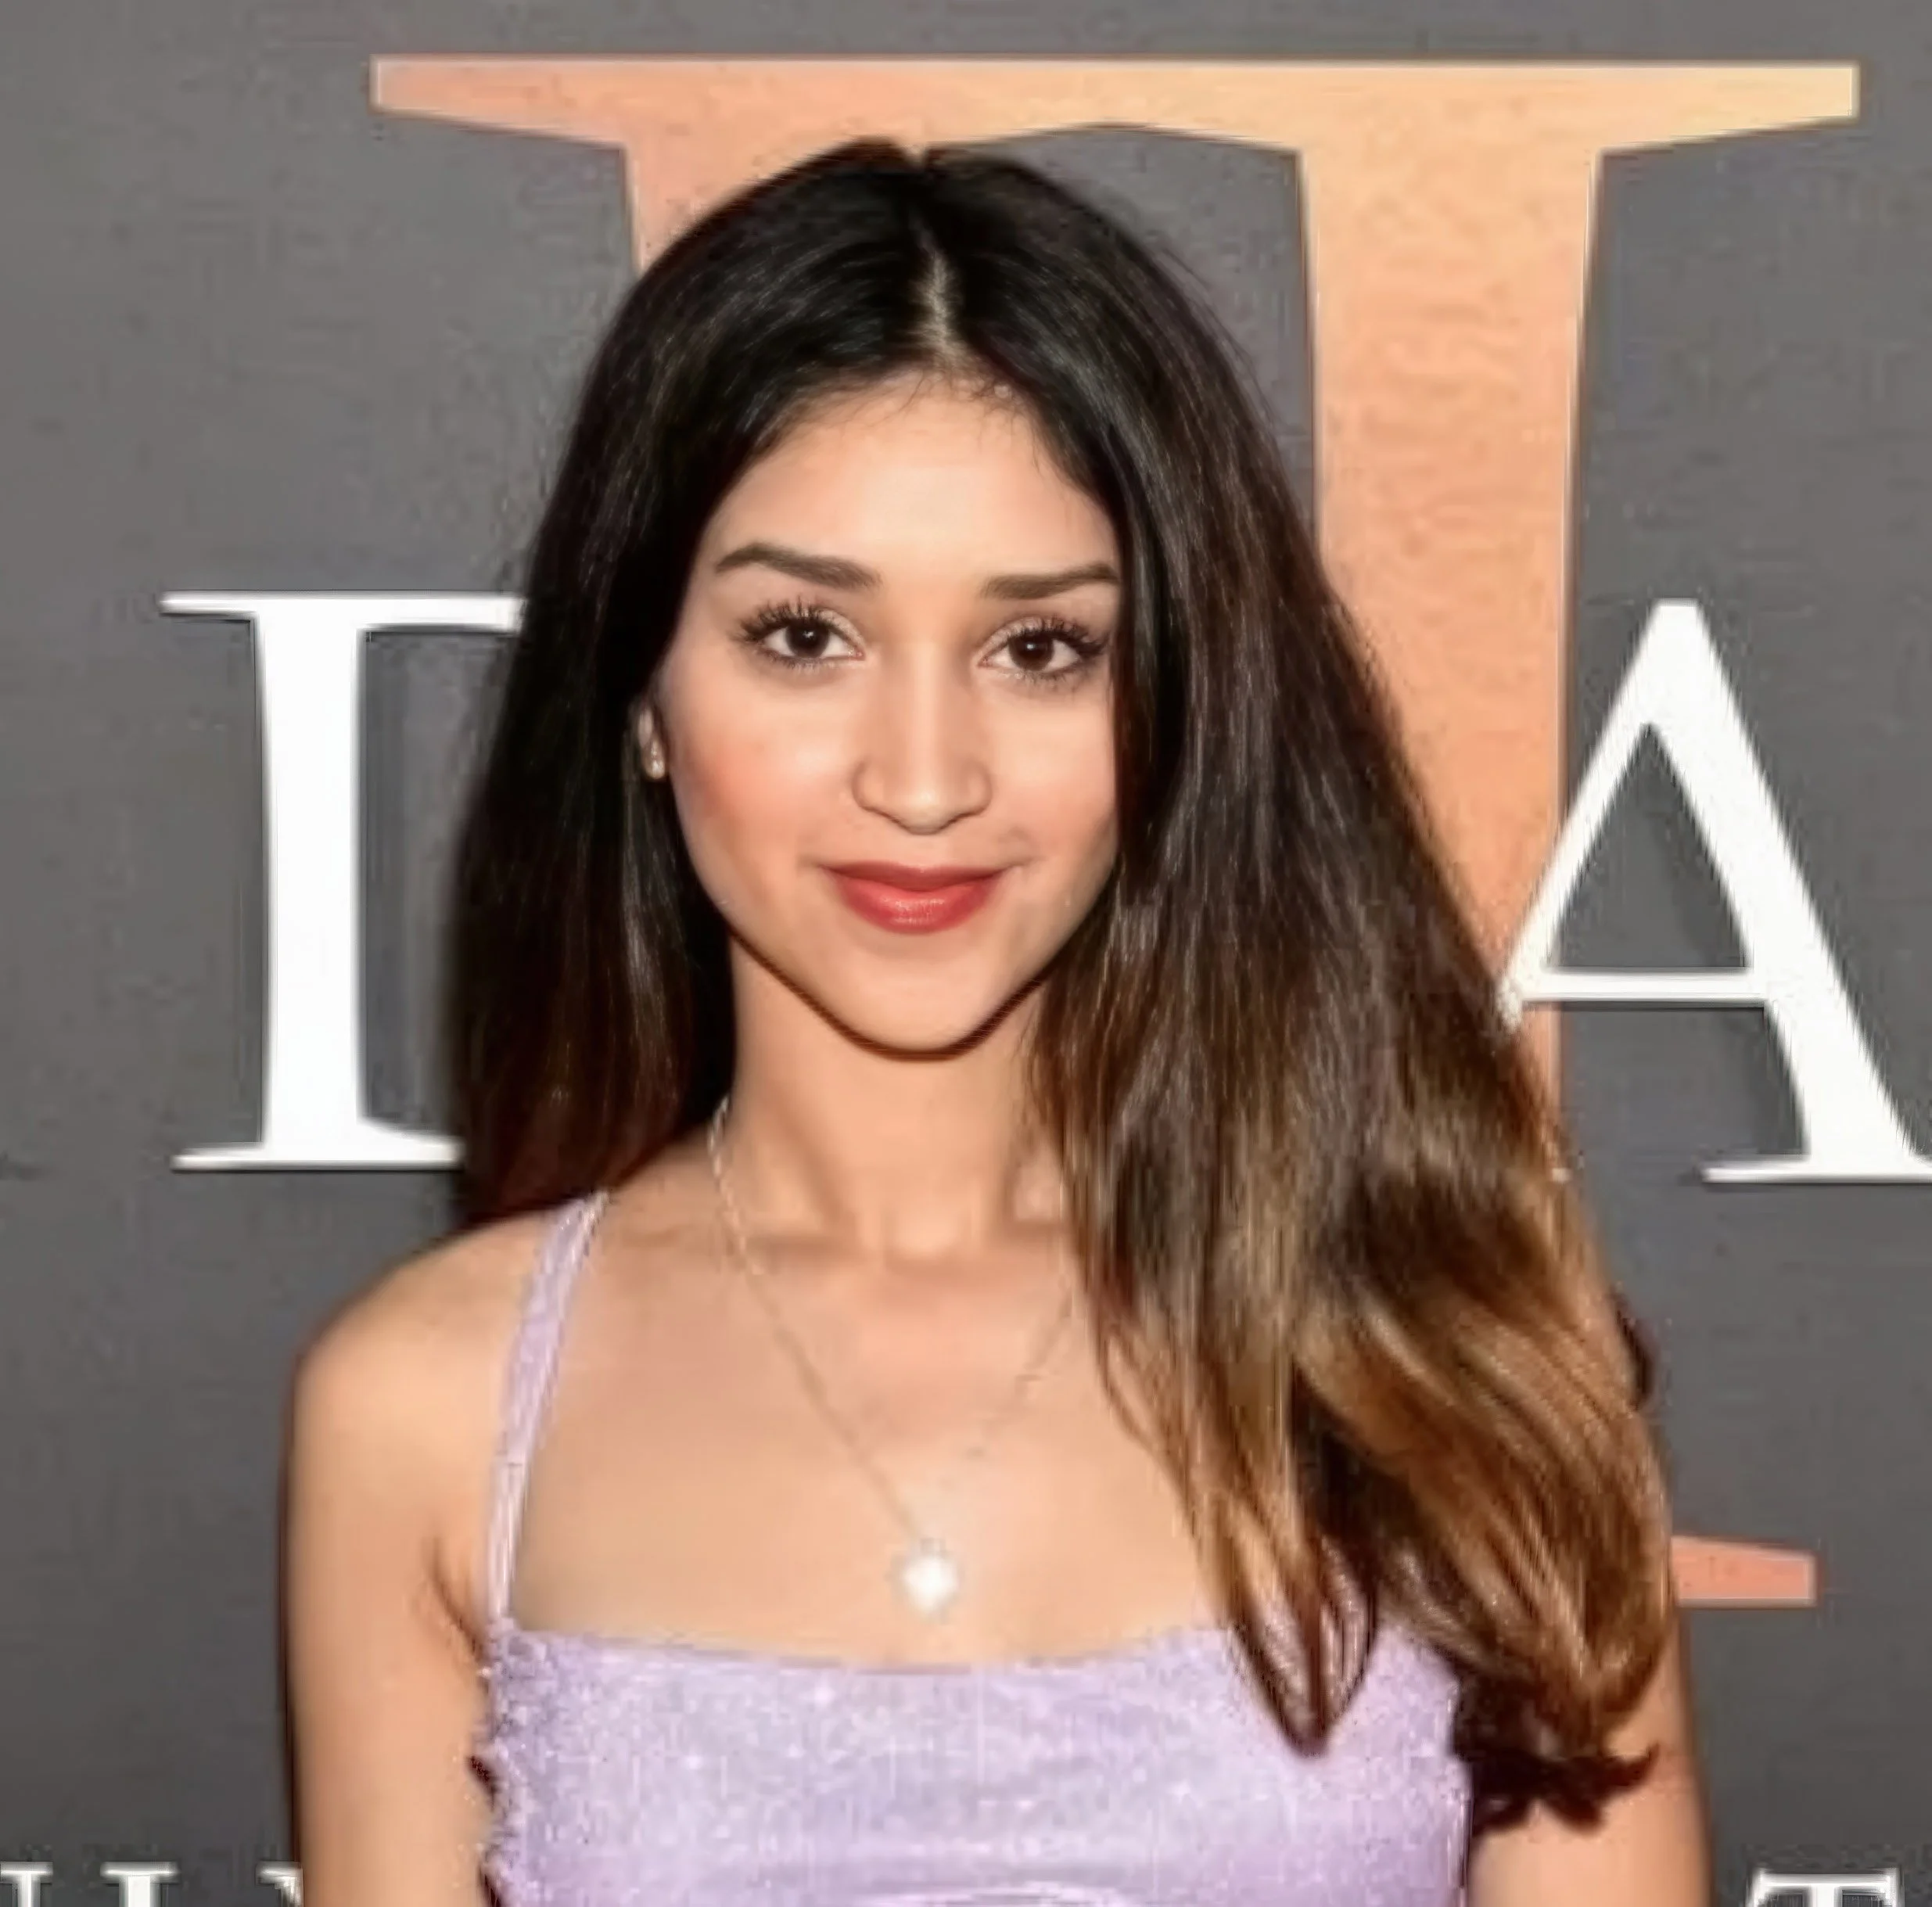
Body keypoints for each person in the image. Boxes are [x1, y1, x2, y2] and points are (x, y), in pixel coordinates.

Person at [281, 137, 1710, 1906]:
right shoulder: (428, 1405)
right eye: (802, 635)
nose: (924, 776)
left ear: (1170, 698)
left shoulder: (1439, 1325)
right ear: (638, 689)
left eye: (1038, 650)